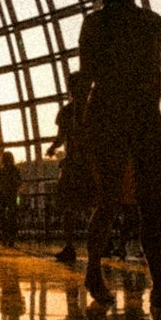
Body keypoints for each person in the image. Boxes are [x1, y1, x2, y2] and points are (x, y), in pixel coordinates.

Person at [73, 0, 161, 314]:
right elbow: (151, 74)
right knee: (149, 203)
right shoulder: (152, 22)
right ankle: (159, 287)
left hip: (108, 114)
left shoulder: (94, 25)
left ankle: (95, 272)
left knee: (109, 200)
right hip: (142, 114)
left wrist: (80, 125)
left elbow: (87, 75)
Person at [45, 71, 92, 263]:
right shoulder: (94, 109)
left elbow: (61, 136)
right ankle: (103, 244)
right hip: (91, 163)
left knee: (69, 208)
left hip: (73, 164)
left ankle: (70, 246)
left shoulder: (66, 112)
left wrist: (52, 148)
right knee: (95, 205)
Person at [0, 150, 21, 246]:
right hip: (12, 196)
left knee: (2, 216)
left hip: (3, 197)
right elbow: (19, 183)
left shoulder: (1, 171)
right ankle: (11, 237)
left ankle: (5, 237)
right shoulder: (15, 170)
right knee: (12, 216)